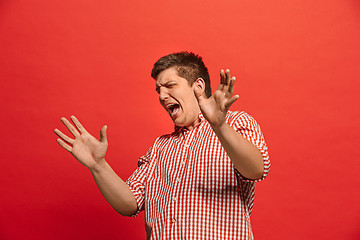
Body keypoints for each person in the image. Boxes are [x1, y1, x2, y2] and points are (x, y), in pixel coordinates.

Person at [54, 52, 270, 239]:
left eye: (169, 85)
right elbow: (129, 204)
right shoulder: (159, 147)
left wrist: (219, 126)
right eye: (158, 90)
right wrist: (98, 166)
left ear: (198, 86)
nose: (162, 95)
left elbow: (256, 169)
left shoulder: (235, 122)